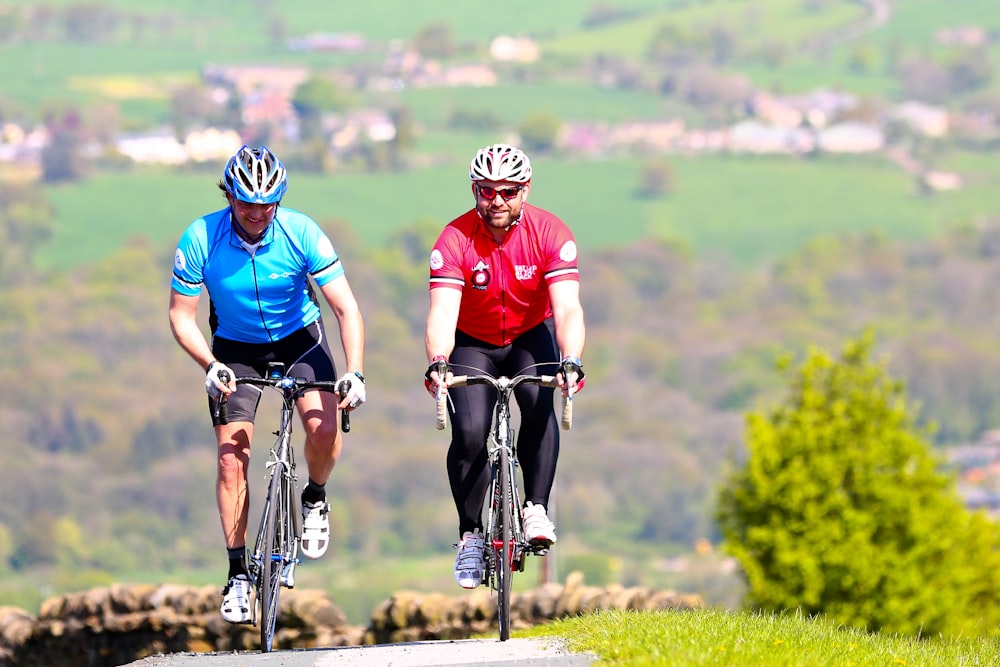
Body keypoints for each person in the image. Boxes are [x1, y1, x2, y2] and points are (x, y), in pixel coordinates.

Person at [168, 145, 366, 623]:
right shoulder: (201, 237)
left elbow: (345, 308)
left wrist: (354, 371)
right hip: (235, 350)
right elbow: (181, 316)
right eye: (245, 203)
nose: (256, 214)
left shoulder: (301, 233)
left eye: (267, 204)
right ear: (229, 196)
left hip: (300, 340)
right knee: (231, 459)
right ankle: (237, 573)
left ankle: (314, 496)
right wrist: (208, 364)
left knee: (323, 428)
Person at [424, 142, 586, 589]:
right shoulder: (454, 238)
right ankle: (471, 535)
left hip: (528, 335)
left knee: (538, 403)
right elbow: (442, 311)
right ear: (474, 190)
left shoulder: (551, 233)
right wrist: (438, 362)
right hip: (471, 343)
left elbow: (568, 309)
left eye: (509, 191)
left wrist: (570, 360)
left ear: (525, 190)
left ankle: (535, 506)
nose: (497, 200)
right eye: (486, 190)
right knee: (471, 432)